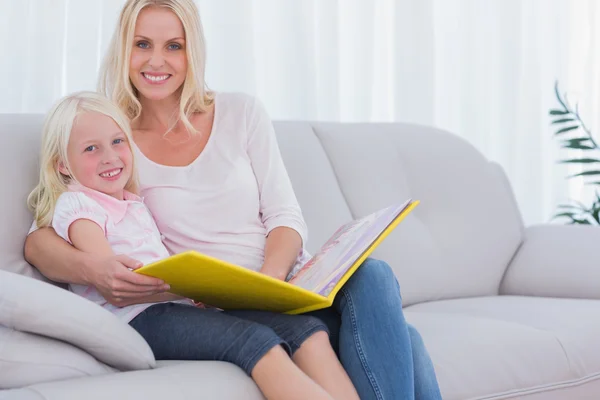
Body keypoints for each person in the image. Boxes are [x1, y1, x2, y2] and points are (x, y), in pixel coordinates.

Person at [24, 1, 443, 399]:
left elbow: (285, 216)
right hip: (220, 305)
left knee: (374, 274)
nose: (156, 61)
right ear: (123, 50)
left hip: (283, 284)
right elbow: (41, 239)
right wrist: (93, 268)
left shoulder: (241, 112)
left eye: (174, 46)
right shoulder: (110, 136)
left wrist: (273, 280)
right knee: (407, 342)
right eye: (142, 45)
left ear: (193, 52)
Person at [27, 91, 359, 400]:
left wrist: (193, 289)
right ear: (62, 165)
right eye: (91, 149)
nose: (110, 157)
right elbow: (116, 275)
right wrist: (185, 288)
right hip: (137, 319)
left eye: (117, 142)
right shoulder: (79, 205)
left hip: (170, 307)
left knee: (308, 330)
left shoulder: (133, 203)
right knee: (254, 341)